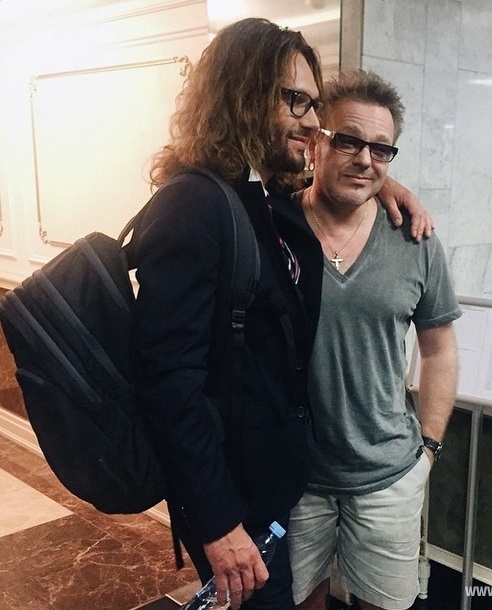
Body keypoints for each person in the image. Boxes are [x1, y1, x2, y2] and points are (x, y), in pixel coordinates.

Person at [131, 18, 432, 610]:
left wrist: (382, 180)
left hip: (273, 489)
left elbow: (333, 175)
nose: (312, 121)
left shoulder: (257, 197)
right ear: (242, 95)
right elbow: (167, 383)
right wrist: (218, 523)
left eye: (314, 105)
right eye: (296, 100)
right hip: (233, 503)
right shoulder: (193, 204)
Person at [287, 69, 461, 610]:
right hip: (294, 477)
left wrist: (429, 449)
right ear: (316, 142)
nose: (365, 159)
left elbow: (439, 350)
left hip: (389, 475)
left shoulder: (416, 240)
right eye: (348, 140)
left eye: (381, 149)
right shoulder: (273, 226)